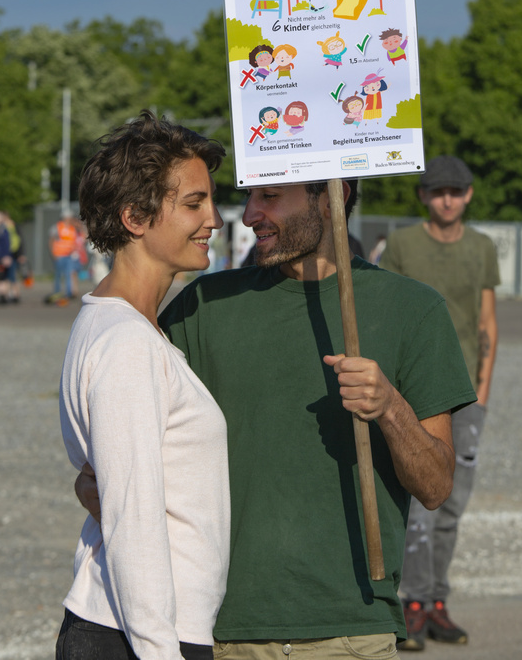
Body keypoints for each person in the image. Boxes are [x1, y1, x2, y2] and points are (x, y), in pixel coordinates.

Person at [77, 175, 476, 655]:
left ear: (334, 196)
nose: (248, 216)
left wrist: (390, 408)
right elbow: (99, 478)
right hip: (221, 633)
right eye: (249, 197)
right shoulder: (205, 306)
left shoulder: (415, 310)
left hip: (352, 631)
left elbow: (435, 487)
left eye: (269, 197)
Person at [57, 113, 230, 660]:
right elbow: (133, 518)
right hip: (135, 635)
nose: (216, 220)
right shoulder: (128, 343)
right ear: (135, 216)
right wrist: (161, 651)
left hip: (133, 628)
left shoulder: (125, 326)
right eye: (194, 203)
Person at [380, 155, 500, 650]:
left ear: (468, 195)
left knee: (451, 505)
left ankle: (436, 603)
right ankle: (410, 600)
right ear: (424, 197)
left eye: (455, 191)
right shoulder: (404, 244)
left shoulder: (482, 247)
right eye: (437, 191)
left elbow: (486, 321)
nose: (447, 198)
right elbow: (383, 308)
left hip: (467, 395)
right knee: (417, 506)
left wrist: (483, 392)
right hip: (415, 391)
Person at [48, 212, 79, 305]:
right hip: (59, 255)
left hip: (69, 255)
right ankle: (57, 292)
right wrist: (53, 254)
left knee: (69, 274)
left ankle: (68, 293)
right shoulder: (57, 227)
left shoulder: (72, 228)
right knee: (58, 275)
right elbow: (51, 240)